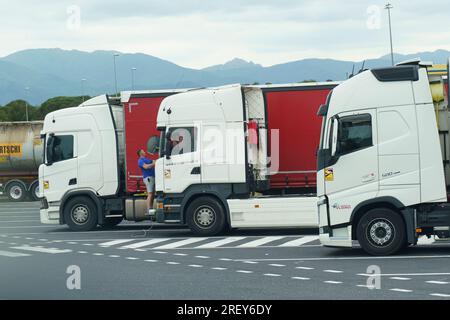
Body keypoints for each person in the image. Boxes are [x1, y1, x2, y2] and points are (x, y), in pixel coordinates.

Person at [137, 149, 156, 215]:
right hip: (148, 178)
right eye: (143, 151)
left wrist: (154, 162)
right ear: (140, 153)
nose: (144, 152)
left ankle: (151, 208)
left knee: (153, 194)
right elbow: (146, 167)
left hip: (152, 177)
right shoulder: (140, 161)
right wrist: (153, 164)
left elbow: (153, 161)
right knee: (150, 193)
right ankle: (148, 210)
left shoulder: (147, 159)